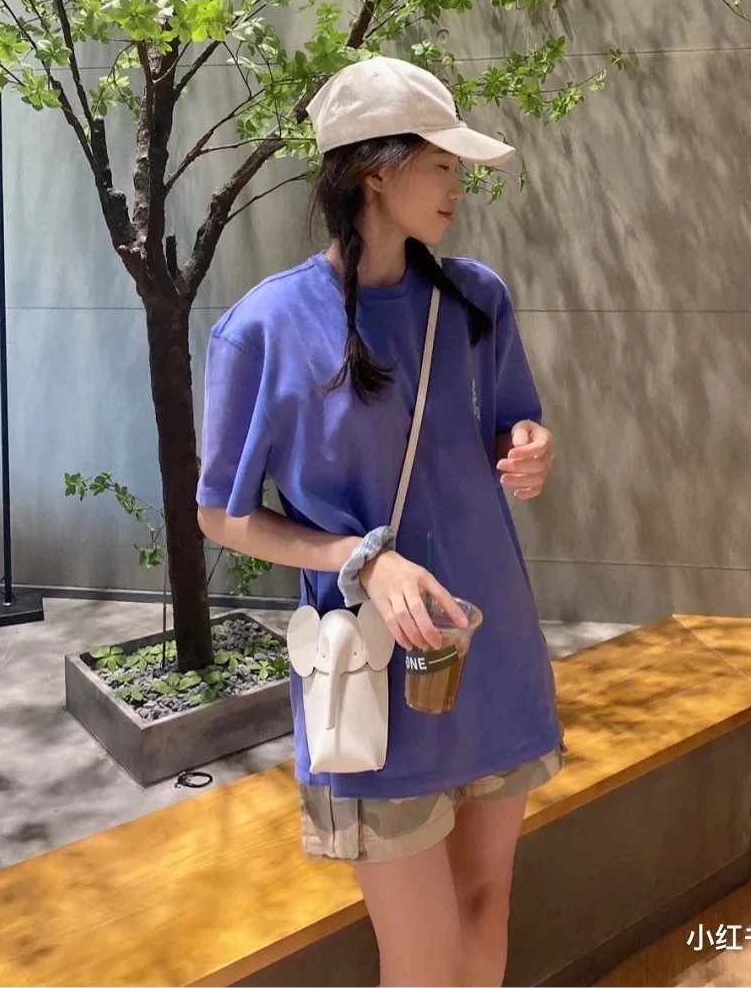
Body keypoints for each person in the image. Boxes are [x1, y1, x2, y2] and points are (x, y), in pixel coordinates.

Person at [195, 57, 565, 987]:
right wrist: (363, 558)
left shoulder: (476, 298)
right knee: (423, 952)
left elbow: (511, 424)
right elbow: (220, 515)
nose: (457, 186)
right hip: (372, 670)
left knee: (487, 906)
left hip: (489, 646)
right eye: (440, 164)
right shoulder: (265, 327)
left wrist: (529, 445)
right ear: (374, 170)